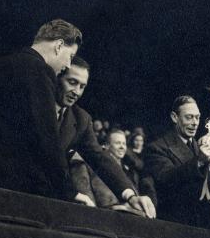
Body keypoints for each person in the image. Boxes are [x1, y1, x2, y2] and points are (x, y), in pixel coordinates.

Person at [0, 19, 83, 200]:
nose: (68, 66)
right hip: (11, 189)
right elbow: (46, 138)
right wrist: (69, 191)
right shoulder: (40, 72)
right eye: (70, 57)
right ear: (59, 45)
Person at [54, 58, 155, 217]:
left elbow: (99, 158)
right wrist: (71, 194)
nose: (77, 92)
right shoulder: (38, 105)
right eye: (72, 82)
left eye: (82, 86)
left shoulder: (81, 119)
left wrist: (131, 196)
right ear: (57, 77)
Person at [145, 95, 210, 228]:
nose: (195, 122)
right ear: (174, 117)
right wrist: (199, 161)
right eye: (189, 117)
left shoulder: (199, 146)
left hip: (206, 224)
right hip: (178, 225)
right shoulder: (157, 148)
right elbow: (168, 178)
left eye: (197, 117)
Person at [90, 127, 157, 210]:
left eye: (124, 143)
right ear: (107, 146)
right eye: (118, 143)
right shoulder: (99, 169)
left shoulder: (130, 171)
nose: (122, 147)